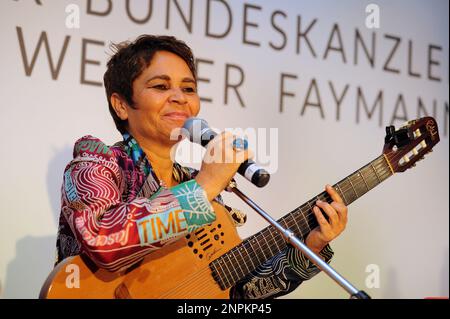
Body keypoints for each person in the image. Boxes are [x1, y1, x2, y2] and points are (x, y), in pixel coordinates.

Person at [55, 34, 348, 299]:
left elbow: (237, 294)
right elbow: (102, 239)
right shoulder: (98, 161)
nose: (180, 98)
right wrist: (206, 185)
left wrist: (312, 245)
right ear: (121, 105)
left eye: (189, 88)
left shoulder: (198, 183)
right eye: (160, 86)